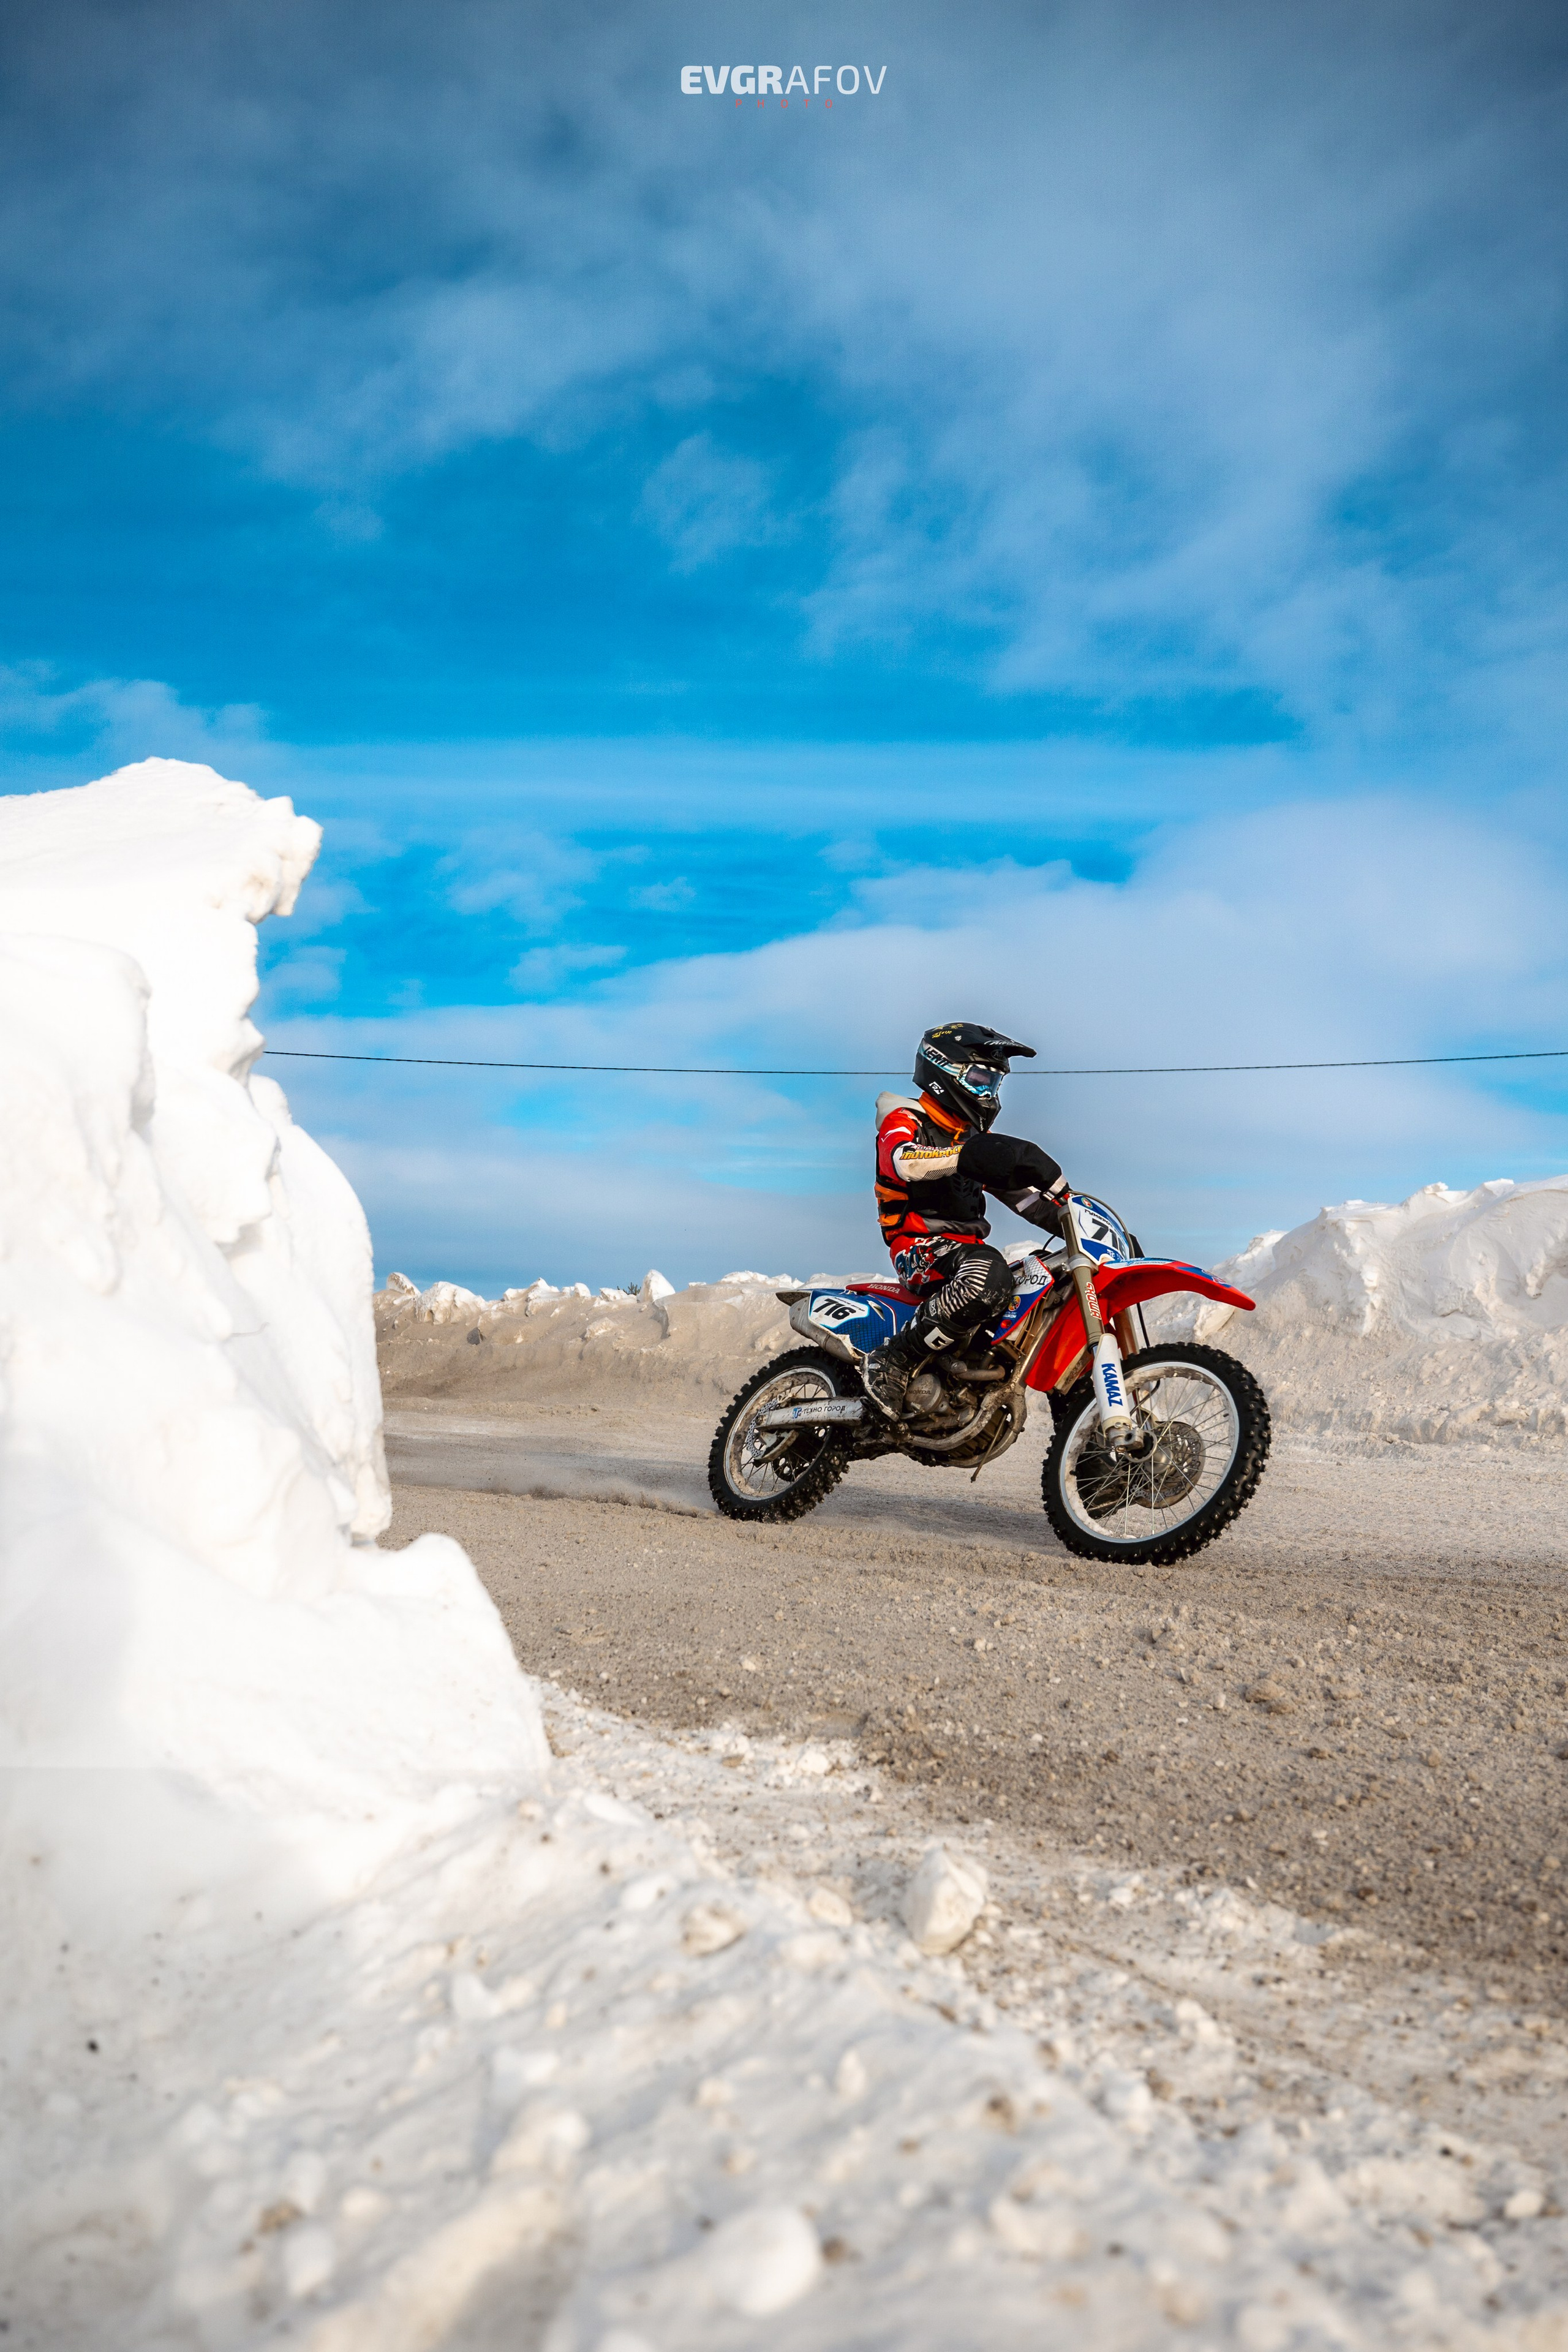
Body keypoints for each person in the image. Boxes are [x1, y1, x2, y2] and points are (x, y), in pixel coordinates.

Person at [863, 1020, 1069, 1416]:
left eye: (994, 1083)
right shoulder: (904, 1118)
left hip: (966, 1254)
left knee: (1047, 1288)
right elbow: (904, 1162)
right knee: (990, 1274)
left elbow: (1028, 1203)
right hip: (918, 1247)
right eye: (979, 1079)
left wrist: (1081, 1221)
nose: (988, 1094)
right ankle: (894, 1359)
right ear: (943, 1072)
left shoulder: (967, 1140)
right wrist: (964, 1157)